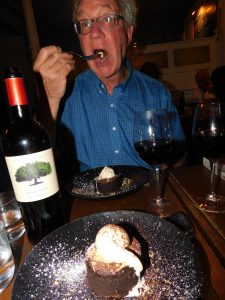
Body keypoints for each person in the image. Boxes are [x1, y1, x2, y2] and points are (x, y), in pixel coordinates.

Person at [33, 0, 186, 173]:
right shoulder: (64, 97)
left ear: (128, 33)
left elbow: (178, 157)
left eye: (107, 19)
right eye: (85, 24)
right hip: (88, 199)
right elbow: (35, 171)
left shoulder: (157, 93)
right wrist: (49, 99)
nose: (94, 33)